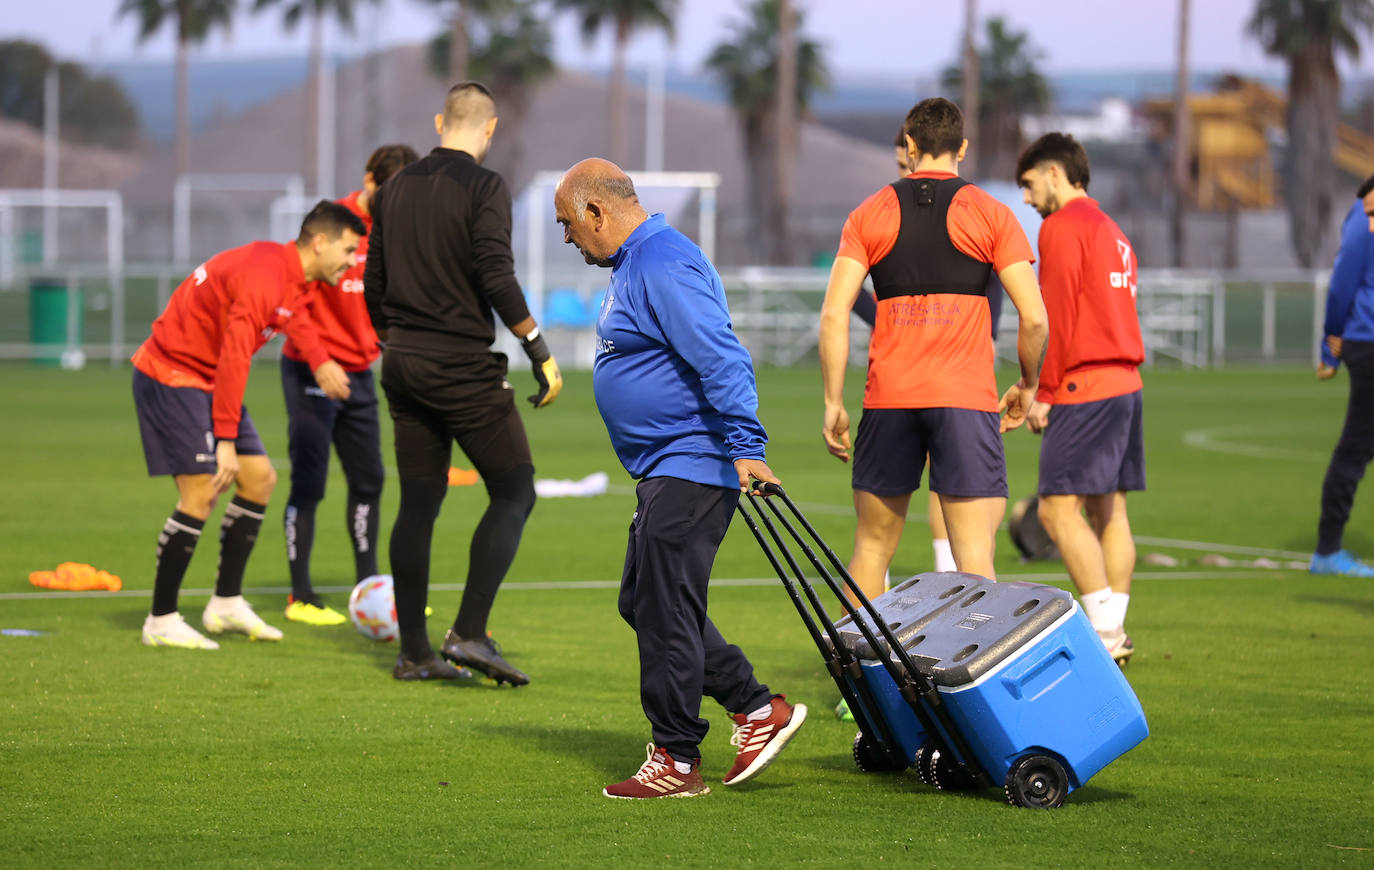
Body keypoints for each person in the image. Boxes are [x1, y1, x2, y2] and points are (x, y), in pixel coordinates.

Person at [554, 157, 807, 800]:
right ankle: (755, 709)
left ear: (596, 212)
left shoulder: (664, 261)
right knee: (643, 602)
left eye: (567, 224)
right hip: (667, 467)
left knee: (664, 609)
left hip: (692, 462)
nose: (565, 237)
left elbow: (721, 354)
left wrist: (748, 445)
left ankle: (675, 758)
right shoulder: (632, 264)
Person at [363, 81, 563, 683]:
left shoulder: (394, 188)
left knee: (418, 503)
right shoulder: (485, 186)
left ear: (439, 122)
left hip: (402, 364)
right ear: (490, 129)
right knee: (515, 489)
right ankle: (470, 633)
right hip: (460, 367)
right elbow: (496, 276)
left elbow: (375, 281)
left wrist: (395, 340)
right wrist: (537, 348)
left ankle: (414, 653)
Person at [819, 98, 1048, 604]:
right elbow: (1034, 317)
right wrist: (1029, 384)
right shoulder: (992, 213)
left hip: (889, 399)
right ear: (962, 148)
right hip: (965, 399)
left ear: (909, 146)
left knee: (872, 550)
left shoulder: (869, 214)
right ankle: (974, 681)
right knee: (976, 563)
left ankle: (859, 682)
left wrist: (834, 401)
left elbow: (835, 313)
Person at [132, 201, 366, 650]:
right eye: (349, 249)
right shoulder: (265, 275)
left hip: (207, 377)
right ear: (320, 242)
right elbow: (236, 355)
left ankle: (225, 604)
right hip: (172, 372)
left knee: (259, 479)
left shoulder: (293, 278)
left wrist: (319, 362)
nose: (352, 260)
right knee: (202, 491)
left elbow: (293, 320)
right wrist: (224, 439)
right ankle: (160, 619)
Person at [1015, 132, 1145, 663]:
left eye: (1027, 184)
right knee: (1108, 511)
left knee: (1054, 512)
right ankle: (1114, 630)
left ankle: (1107, 636)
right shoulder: (1112, 229)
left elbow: (1057, 315)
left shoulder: (1063, 226)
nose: (1025, 198)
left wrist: (1043, 390)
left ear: (1053, 173)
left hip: (1084, 385)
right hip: (1126, 385)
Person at [280, 144, 420, 626]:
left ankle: (372, 593)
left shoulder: (395, 232)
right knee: (310, 483)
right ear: (369, 182)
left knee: (370, 480)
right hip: (310, 370)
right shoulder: (332, 230)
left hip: (360, 372)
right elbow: (291, 300)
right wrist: (319, 361)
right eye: (393, 192)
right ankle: (300, 596)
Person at [1309, 173, 1374, 577]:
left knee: (1357, 445)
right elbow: (1344, 279)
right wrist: (1330, 341)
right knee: (1356, 445)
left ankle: (1328, 549)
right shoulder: (1364, 211)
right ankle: (1328, 550)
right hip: (1368, 340)